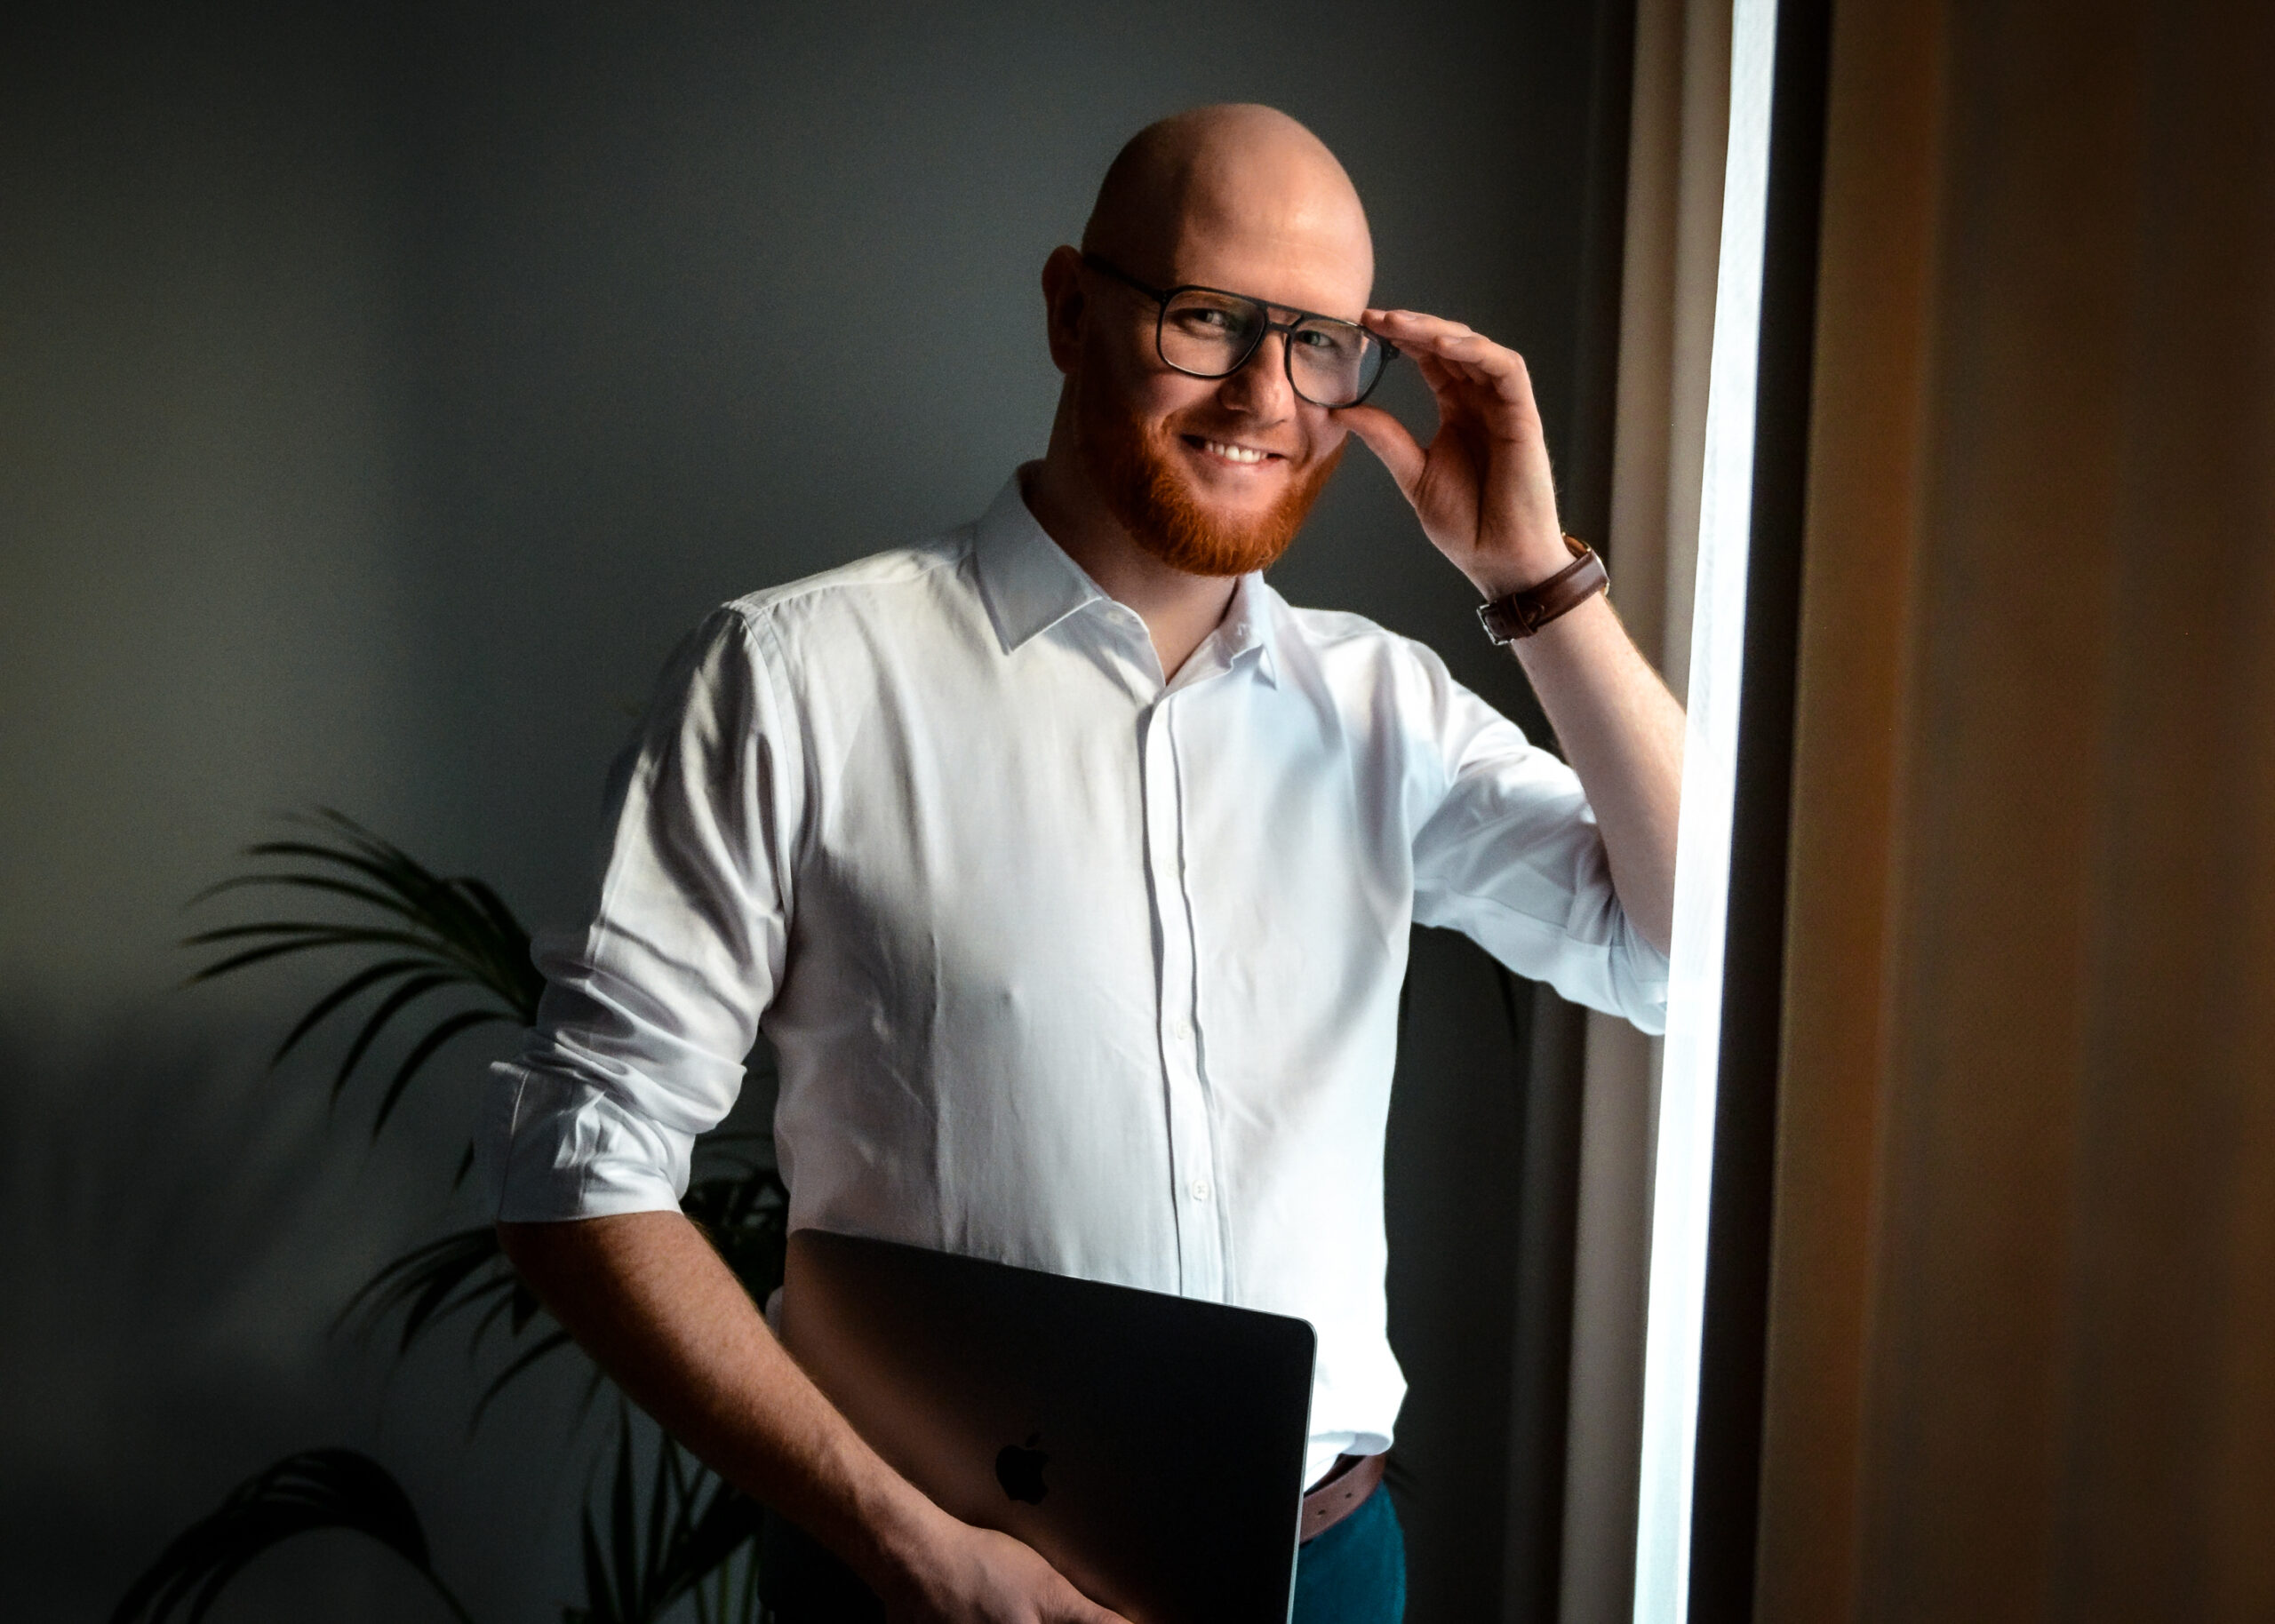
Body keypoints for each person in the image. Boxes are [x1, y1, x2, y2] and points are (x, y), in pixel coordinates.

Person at [483, 103, 1683, 1624]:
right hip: (915, 1583)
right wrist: (906, 1545)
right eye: (1208, 317)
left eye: (1321, 343)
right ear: (1071, 309)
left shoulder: (1386, 711)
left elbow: (1688, 955)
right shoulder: (793, 676)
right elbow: (578, 1161)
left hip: (1328, 1573)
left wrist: (1534, 578)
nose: (1266, 394)